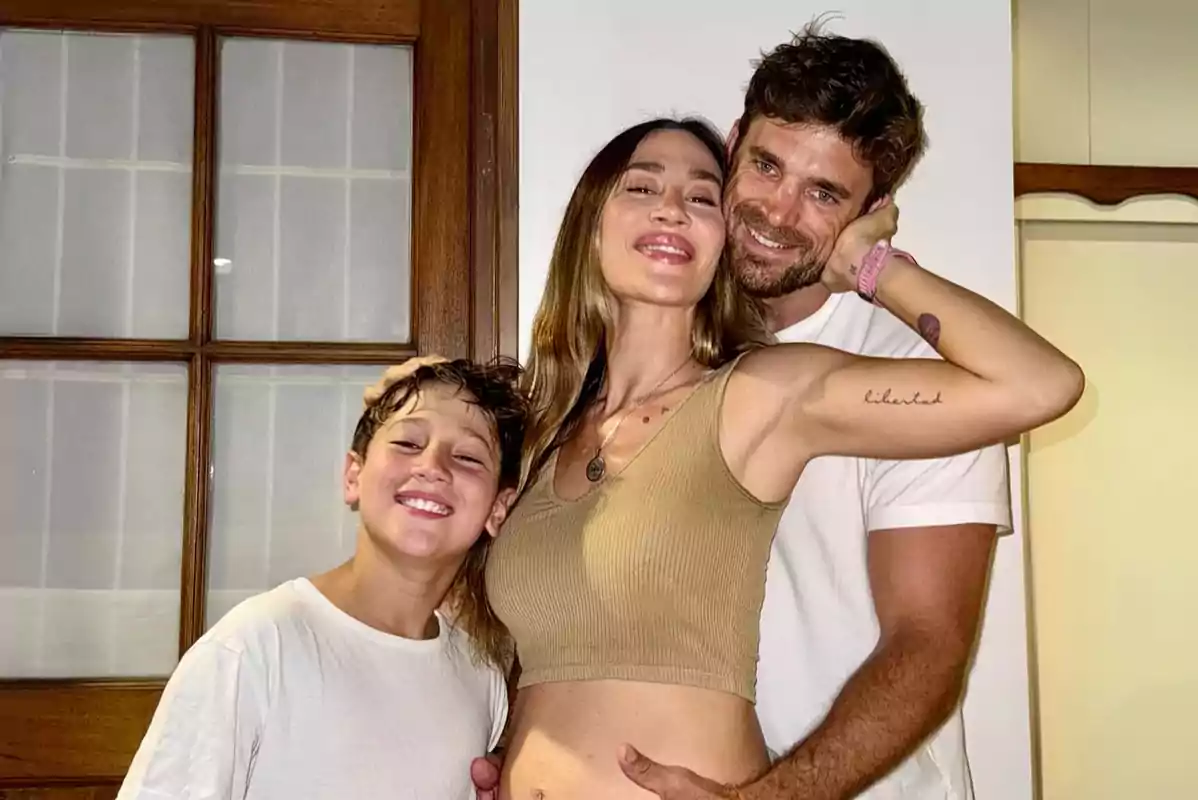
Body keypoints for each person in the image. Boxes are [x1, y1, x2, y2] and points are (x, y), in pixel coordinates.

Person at [469, 102, 1082, 797]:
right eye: (641, 187)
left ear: (720, 234)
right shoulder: (546, 429)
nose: (671, 207)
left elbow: (1041, 384)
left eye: (700, 196)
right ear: (591, 224)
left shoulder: (763, 394)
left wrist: (867, 264)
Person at [617, 28, 1016, 800]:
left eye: (824, 193)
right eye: (766, 165)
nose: (777, 210)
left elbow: (928, 645)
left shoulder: (920, 372)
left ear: (874, 211)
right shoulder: (662, 350)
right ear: (732, 144)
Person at [116, 358, 526, 800]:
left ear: (497, 509)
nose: (432, 466)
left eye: (466, 457)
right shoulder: (255, 646)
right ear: (353, 475)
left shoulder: (480, 678)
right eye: (408, 442)